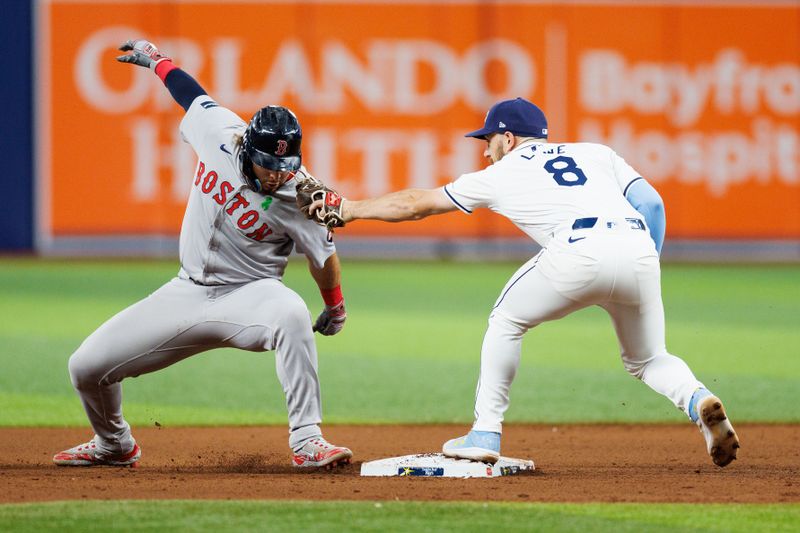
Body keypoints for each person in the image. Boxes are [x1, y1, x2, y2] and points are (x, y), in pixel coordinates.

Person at [301, 97, 740, 468]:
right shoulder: (597, 153)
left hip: (578, 247)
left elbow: (418, 204)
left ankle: (485, 435)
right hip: (638, 248)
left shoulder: (504, 170)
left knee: (506, 319)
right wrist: (645, 266)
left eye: (488, 140)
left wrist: (353, 208)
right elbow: (653, 204)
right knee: (647, 359)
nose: (485, 150)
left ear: (508, 138)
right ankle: (699, 400)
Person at [53, 39, 353, 469]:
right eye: (268, 162)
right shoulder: (220, 134)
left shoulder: (301, 193)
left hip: (251, 295)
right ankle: (114, 444)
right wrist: (158, 61)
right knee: (84, 367)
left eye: (284, 165)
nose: (275, 173)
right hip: (186, 291)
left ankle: (308, 441)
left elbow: (323, 256)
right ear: (249, 146)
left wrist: (335, 306)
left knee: (291, 313)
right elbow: (191, 95)